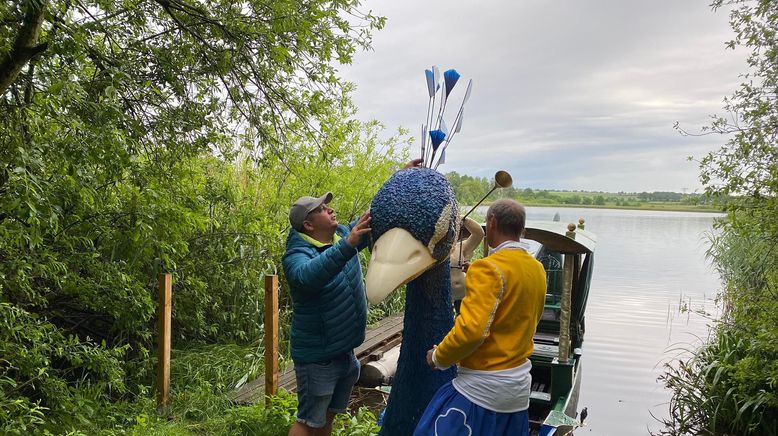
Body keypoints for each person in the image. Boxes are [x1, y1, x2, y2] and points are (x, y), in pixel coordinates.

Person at [283, 159, 422, 436]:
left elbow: (371, 215)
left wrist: (398, 180)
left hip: (346, 353)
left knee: (329, 416)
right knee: (308, 421)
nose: (330, 209)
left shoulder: (343, 237)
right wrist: (348, 246)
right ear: (309, 225)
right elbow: (309, 276)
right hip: (318, 358)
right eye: (322, 209)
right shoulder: (297, 256)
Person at [414, 199, 547, 436]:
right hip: (518, 392)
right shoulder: (537, 269)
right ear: (521, 228)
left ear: (492, 222)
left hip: (482, 389)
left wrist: (438, 357)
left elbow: (471, 332)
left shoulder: (487, 268)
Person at [449, 216, 485, 315]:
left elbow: (479, 234)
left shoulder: (462, 247)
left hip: (463, 295)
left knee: (463, 318)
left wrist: (464, 219)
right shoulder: (434, 251)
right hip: (446, 297)